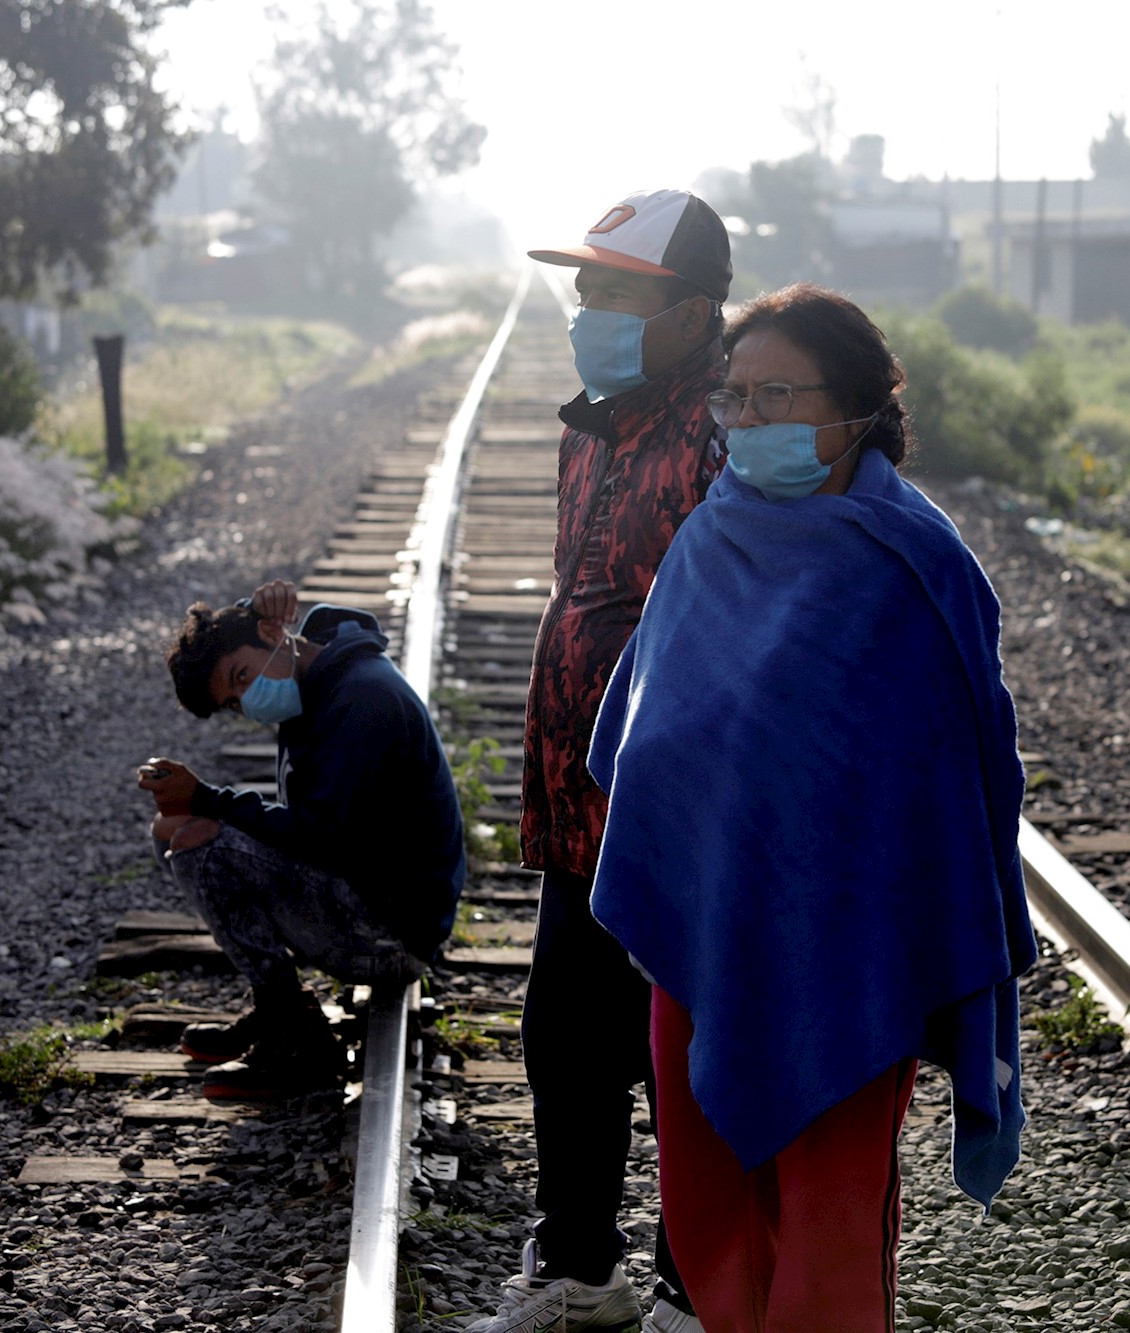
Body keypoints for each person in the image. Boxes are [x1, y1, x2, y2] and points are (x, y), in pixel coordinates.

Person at [586, 283, 1037, 1333]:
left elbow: (960, 786)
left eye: (774, 395)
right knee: (706, 1224)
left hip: (848, 971)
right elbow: (642, 744)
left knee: (829, 1245)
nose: (745, 424)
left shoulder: (912, 567)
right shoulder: (707, 544)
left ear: (855, 409)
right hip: (698, 945)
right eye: (732, 399)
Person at [468, 189, 729, 1333]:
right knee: (564, 1037)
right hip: (578, 813)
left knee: (683, 1053)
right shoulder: (594, 431)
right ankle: (579, 1268)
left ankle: (695, 1287)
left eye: (615, 292)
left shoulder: (724, 437)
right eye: (584, 288)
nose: (587, 309)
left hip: (680, 818)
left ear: (690, 315)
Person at [138, 579, 465, 1102]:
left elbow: (321, 837)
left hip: (393, 937)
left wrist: (208, 798)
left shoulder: (361, 699)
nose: (247, 699)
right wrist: (249, 610)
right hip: (362, 897)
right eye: (234, 701)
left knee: (200, 839)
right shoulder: (314, 674)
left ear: (274, 634)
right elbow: (263, 635)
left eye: (241, 677)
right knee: (171, 829)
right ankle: (279, 1011)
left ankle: (297, 1043)